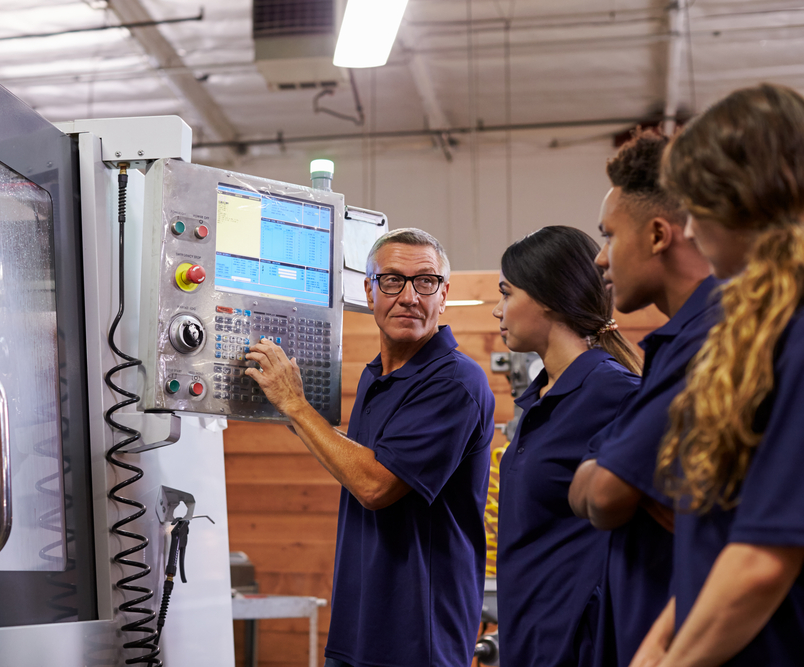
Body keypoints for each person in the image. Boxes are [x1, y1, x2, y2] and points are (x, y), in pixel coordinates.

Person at [246, 228, 495, 667]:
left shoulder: (455, 382)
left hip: (418, 638)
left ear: (444, 294)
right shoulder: (376, 376)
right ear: (369, 290)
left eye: (425, 282)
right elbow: (361, 460)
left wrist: (296, 406)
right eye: (392, 280)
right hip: (359, 627)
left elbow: (375, 485)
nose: (409, 296)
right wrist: (291, 413)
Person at [631, 83, 804, 666]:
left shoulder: (797, 333)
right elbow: (718, 542)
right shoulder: (749, 327)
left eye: (697, 207)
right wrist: (658, 646)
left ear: (741, 200)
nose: (694, 229)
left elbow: (763, 560)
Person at [567, 129, 716, 666]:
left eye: (609, 237)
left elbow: (602, 497)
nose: (601, 260)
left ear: (658, 234)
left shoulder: (708, 339)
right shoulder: (672, 345)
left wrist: (606, 473)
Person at [494, 225, 642, 667]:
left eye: (506, 294)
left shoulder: (614, 392)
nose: (498, 311)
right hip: (528, 636)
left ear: (547, 299)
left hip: (579, 644)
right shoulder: (538, 399)